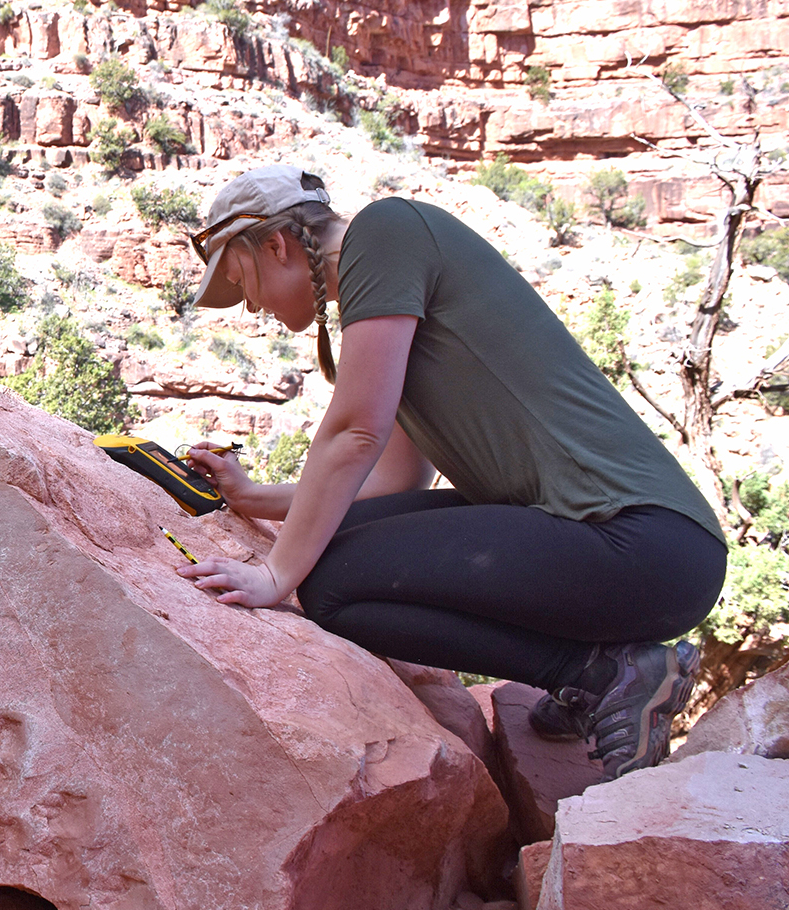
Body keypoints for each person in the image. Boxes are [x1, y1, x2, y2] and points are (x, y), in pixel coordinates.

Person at [174, 164, 726, 781]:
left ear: (276, 244)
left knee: (328, 580)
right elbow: (395, 481)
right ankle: (604, 665)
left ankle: (602, 674)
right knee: (335, 568)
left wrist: (277, 573)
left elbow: (356, 431)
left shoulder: (384, 232)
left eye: (242, 279)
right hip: (606, 544)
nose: (250, 304)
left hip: (645, 544)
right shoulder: (389, 294)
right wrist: (250, 496)